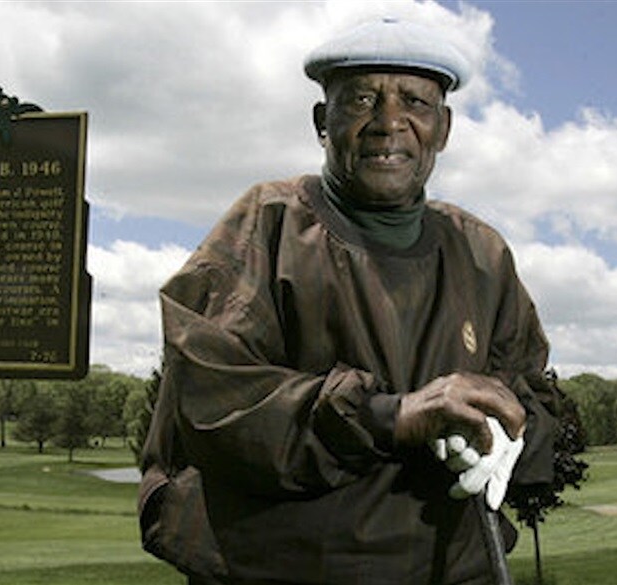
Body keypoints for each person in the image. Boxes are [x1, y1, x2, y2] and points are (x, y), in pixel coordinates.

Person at [139, 18, 560, 585]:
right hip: (281, 569)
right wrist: (394, 416)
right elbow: (214, 399)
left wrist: (508, 425)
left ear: (443, 128)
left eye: (415, 102)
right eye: (362, 99)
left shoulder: (481, 253)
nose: (389, 123)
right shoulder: (266, 224)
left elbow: (532, 392)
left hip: (453, 569)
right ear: (322, 122)